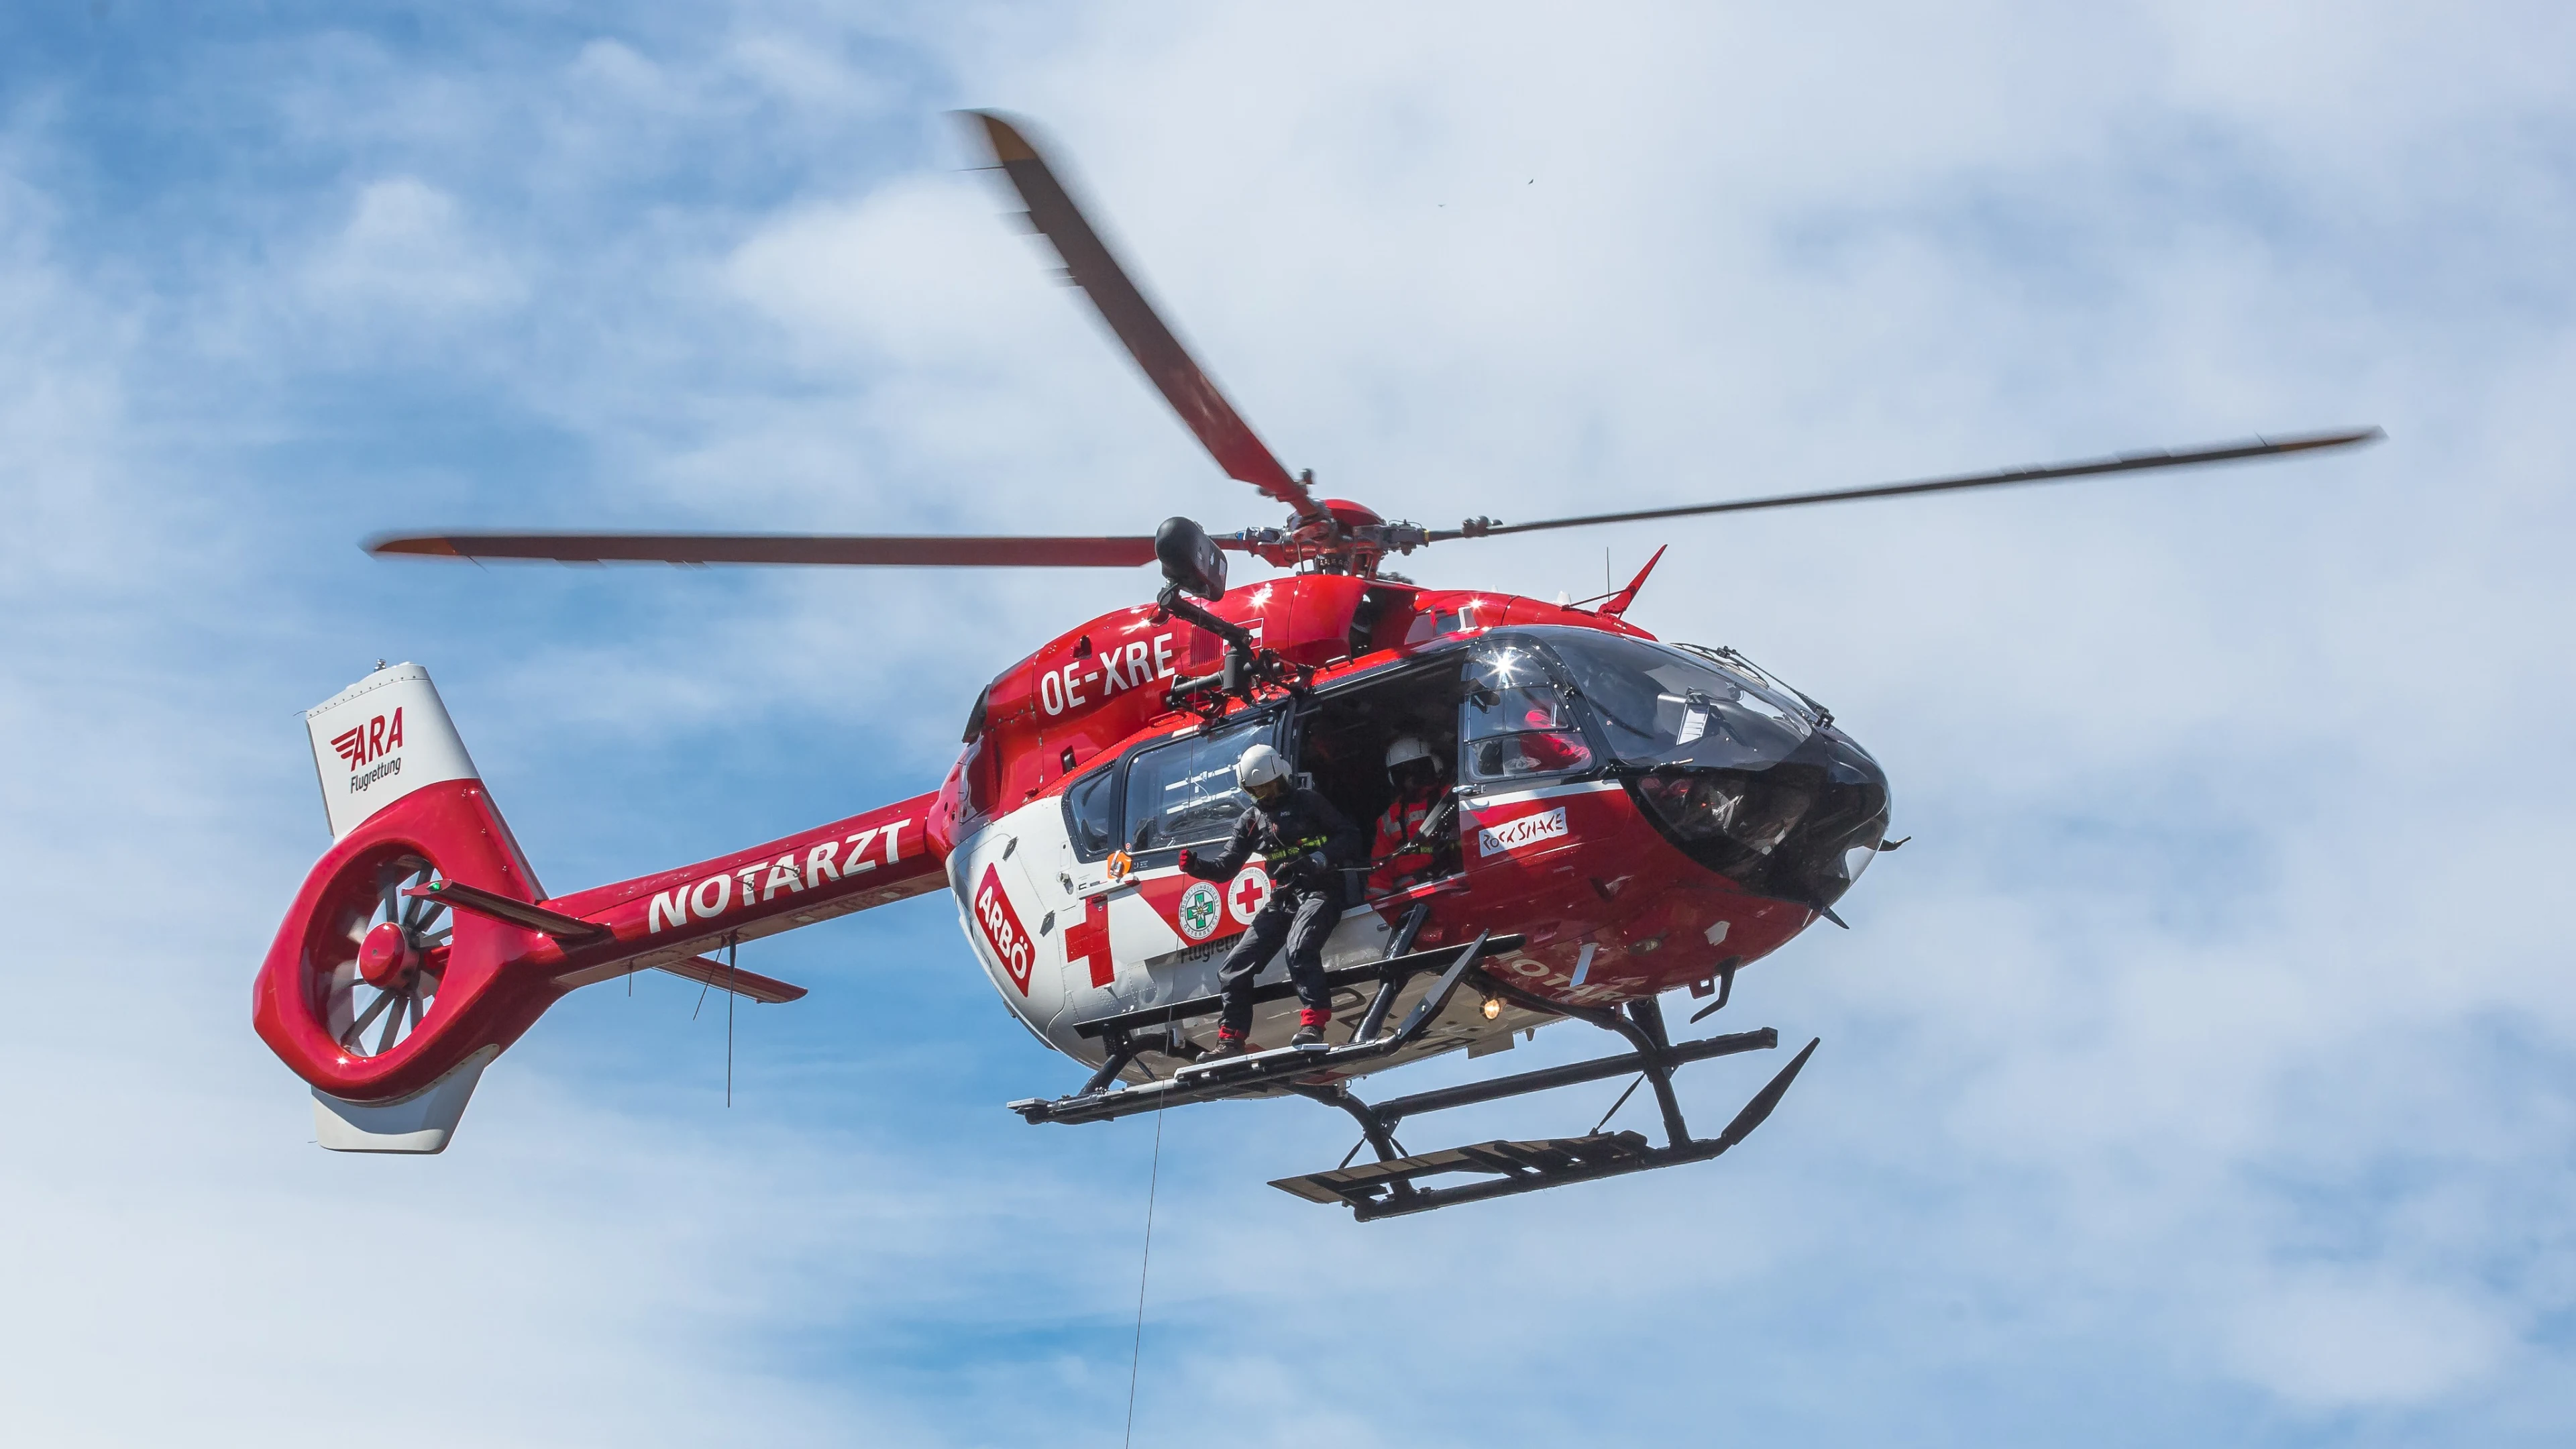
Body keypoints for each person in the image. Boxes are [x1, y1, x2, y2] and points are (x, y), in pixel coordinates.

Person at [1180, 743, 1366, 1057]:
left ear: (1282, 777)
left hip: (1322, 890)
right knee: (1233, 967)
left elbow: (1349, 835)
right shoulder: (1250, 820)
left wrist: (1317, 860)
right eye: (1257, 790)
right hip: (1284, 898)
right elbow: (1227, 867)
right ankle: (1230, 1040)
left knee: (1300, 948)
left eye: (1269, 786)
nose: (1265, 794)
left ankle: (1313, 1024)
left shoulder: (1309, 803)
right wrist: (1197, 867)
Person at [1367, 735, 1452, 894]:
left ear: (1434, 766)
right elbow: (1379, 874)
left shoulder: (1452, 797)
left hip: (1452, 881)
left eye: (1418, 770)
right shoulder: (1390, 818)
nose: (1411, 779)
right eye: (1402, 774)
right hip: (1410, 896)